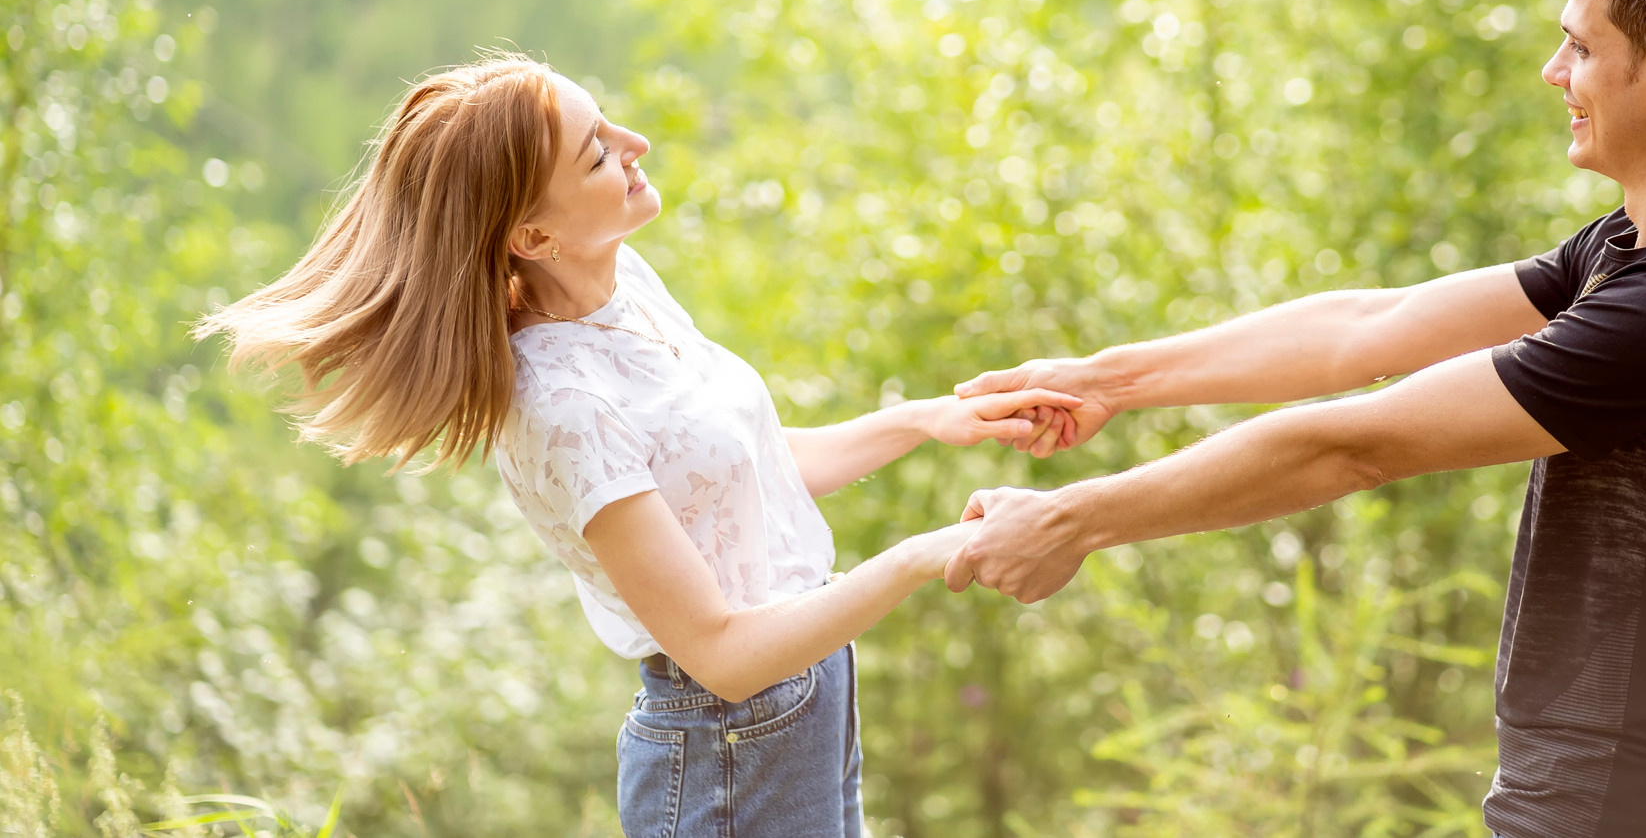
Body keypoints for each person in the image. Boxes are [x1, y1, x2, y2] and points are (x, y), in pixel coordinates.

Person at [948, 0, 1646, 837]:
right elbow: (1370, 326)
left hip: (1644, 806)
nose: (1555, 73)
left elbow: (1353, 445)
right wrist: (1107, 380)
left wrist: (1069, 520)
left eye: (1579, 48)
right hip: (1611, 789)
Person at [197, 55, 1073, 838]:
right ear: (533, 238)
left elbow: (735, 476)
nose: (636, 142)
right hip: (733, 746)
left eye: (607, 122)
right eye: (596, 151)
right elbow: (724, 654)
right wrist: (927, 554)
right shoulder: (562, 407)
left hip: (802, 709)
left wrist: (926, 420)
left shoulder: (624, 282)